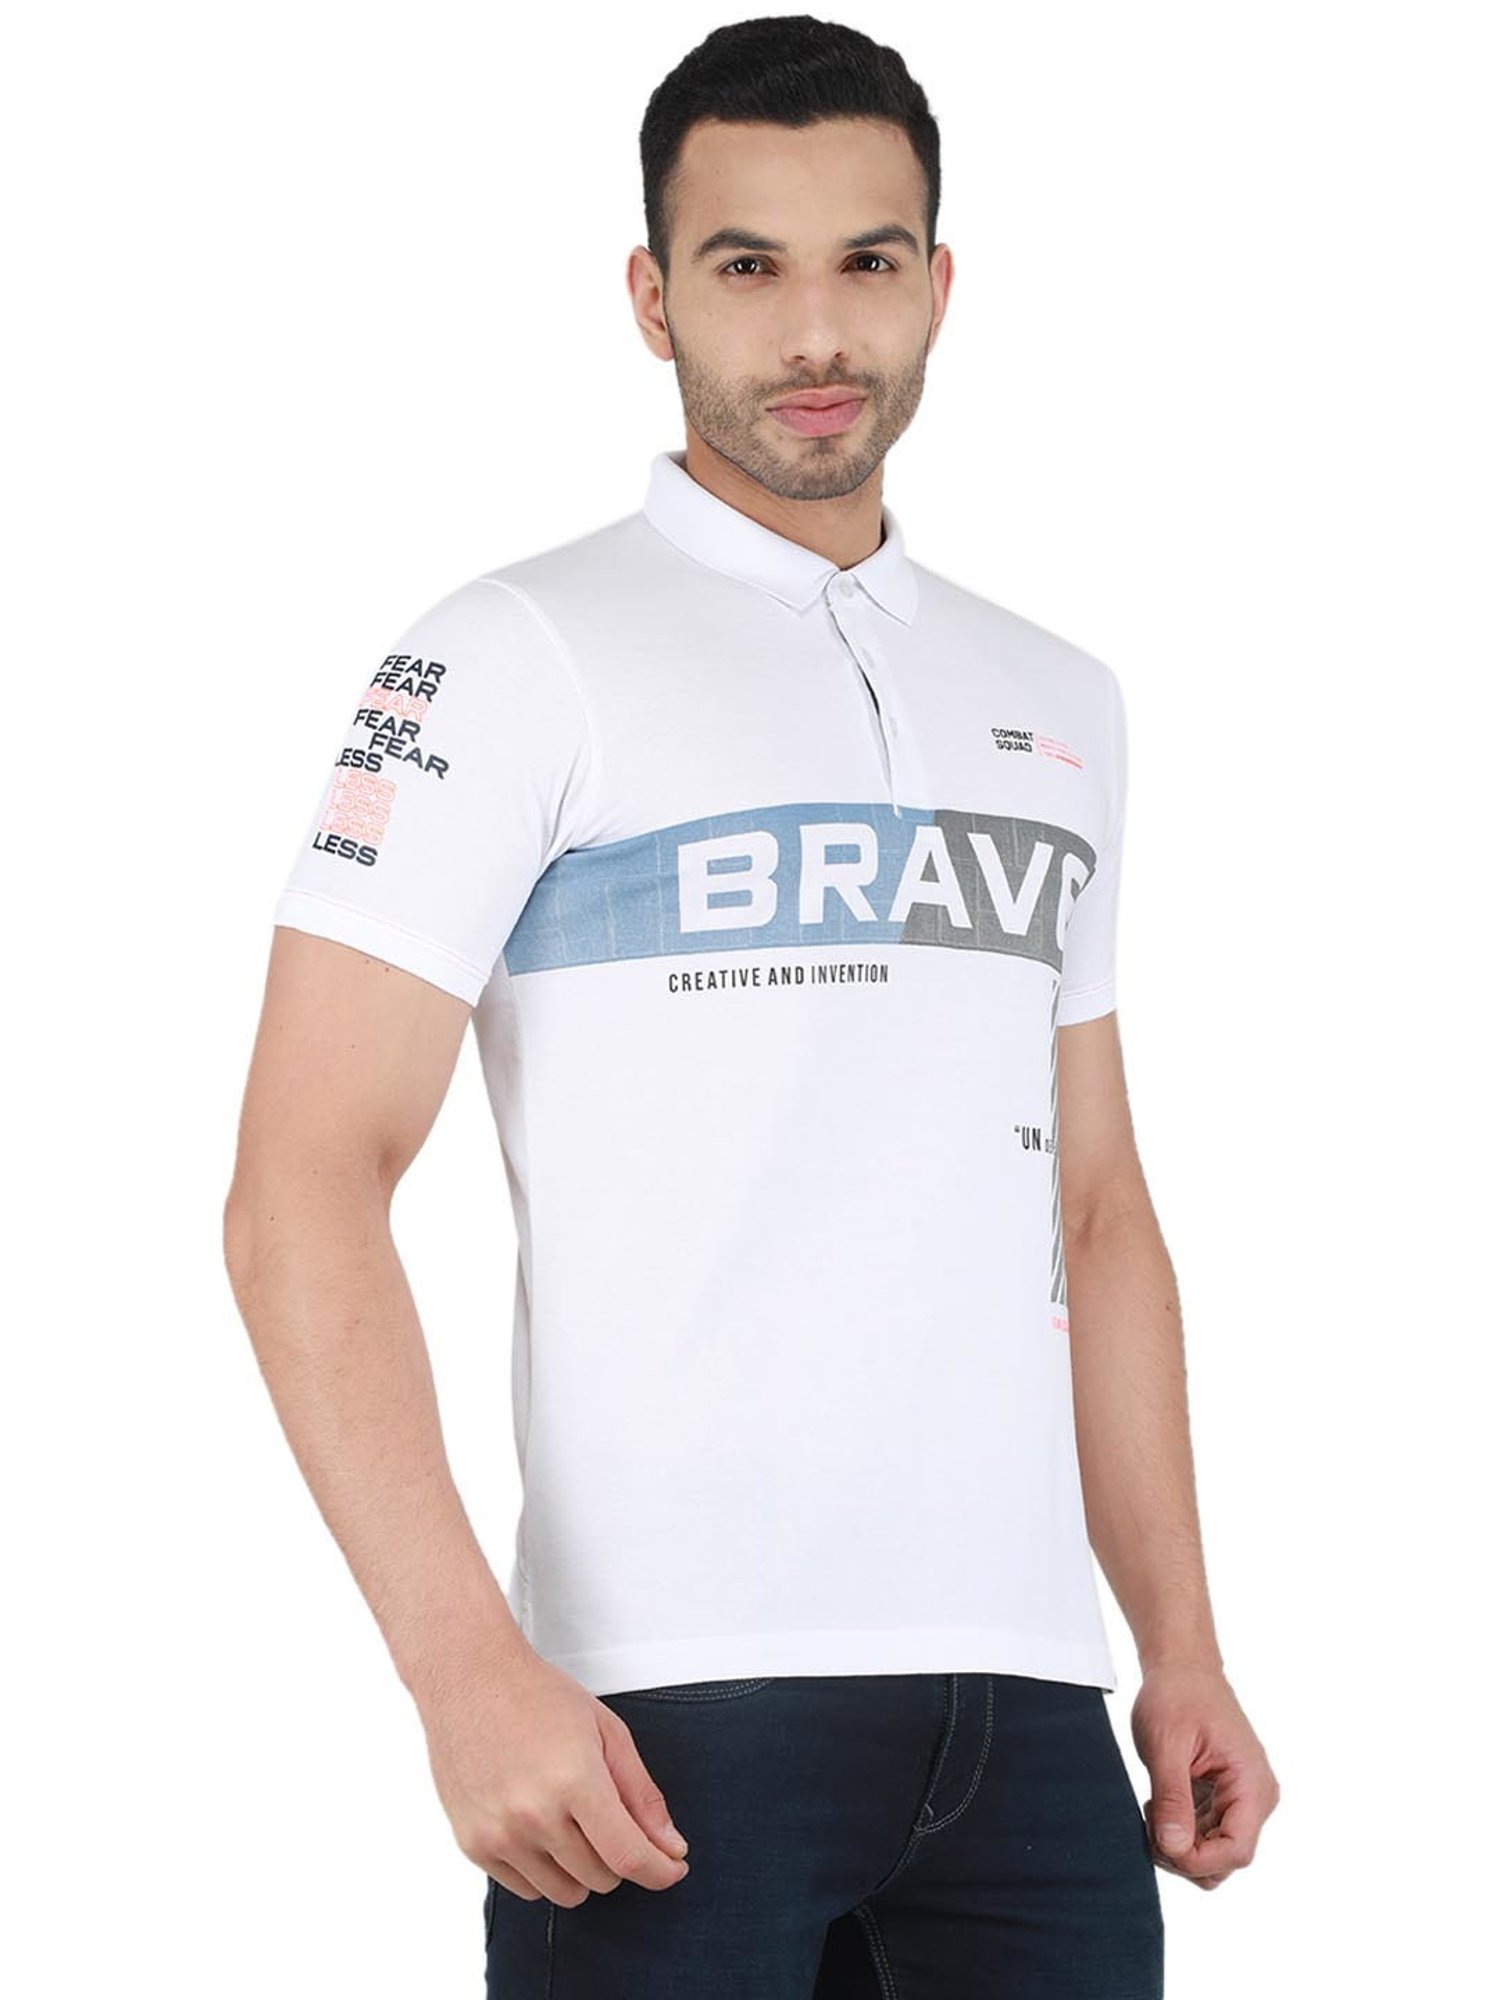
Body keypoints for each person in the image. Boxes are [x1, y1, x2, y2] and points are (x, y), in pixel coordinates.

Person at [223, 15, 1278, 1996]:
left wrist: (1181, 1646)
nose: (815, 331)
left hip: (1033, 1720)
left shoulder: (1059, 697)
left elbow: (1099, 1210)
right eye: (746, 264)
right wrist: (463, 1670)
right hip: (659, 1715)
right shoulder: (512, 654)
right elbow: (302, 1182)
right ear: (651, 297)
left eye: (867, 261)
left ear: (939, 284)